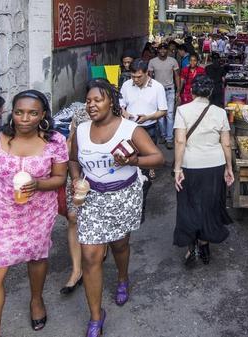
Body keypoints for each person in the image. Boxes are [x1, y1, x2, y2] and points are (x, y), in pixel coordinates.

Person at [0, 90, 69, 335]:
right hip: (0, 214)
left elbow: (60, 178)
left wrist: (38, 184)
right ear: (12, 113)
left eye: (32, 113)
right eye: (19, 112)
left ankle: (36, 299)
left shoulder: (55, 141)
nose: (24, 118)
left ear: (43, 115)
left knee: (37, 257)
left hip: (38, 213)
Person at [69, 79, 164, 337]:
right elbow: (74, 159)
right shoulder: (80, 130)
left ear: (111, 101)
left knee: (119, 245)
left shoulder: (130, 129)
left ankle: (122, 278)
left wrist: (134, 160)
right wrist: (76, 178)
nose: (91, 105)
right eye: (88, 101)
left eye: (97, 100)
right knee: (90, 256)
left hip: (123, 195)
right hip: (92, 199)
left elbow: (158, 157)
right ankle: (96, 317)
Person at [173, 75, 234, 266]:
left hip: (191, 165)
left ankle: (191, 247)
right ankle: (205, 246)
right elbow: (226, 144)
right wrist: (229, 168)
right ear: (210, 92)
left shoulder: (182, 110)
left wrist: (177, 169)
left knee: (189, 204)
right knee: (209, 204)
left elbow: (180, 141)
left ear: (191, 91)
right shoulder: (220, 112)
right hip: (214, 165)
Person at [120, 59, 167, 221]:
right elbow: (121, 104)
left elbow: (163, 111)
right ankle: (127, 205)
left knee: (145, 171)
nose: (135, 80)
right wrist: (124, 112)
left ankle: (140, 208)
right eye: (133, 76)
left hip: (149, 129)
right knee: (128, 166)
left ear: (148, 73)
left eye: (139, 76)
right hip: (129, 130)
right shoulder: (126, 85)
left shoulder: (158, 87)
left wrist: (147, 117)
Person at [59, 104, 93, 295]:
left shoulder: (115, 114)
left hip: (101, 173)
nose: (93, 104)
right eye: (89, 99)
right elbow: (71, 140)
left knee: (96, 219)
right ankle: (76, 271)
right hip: (77, 173)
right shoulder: (80, 114)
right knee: (73, 218)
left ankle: (96, 256)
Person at [148, 43, 181, 149]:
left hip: (170, 90)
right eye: (161, 49)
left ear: (168, 50)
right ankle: (163, 135)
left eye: (164, 49)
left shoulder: (173, 61)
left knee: (170, 114)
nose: (162, 51)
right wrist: (149, 91)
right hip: (158, 92)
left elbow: (177, 76)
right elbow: (149, 78)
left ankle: (169, 139)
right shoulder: (152, 62)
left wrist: (178, 90)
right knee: (160, 116)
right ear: (158, 50)